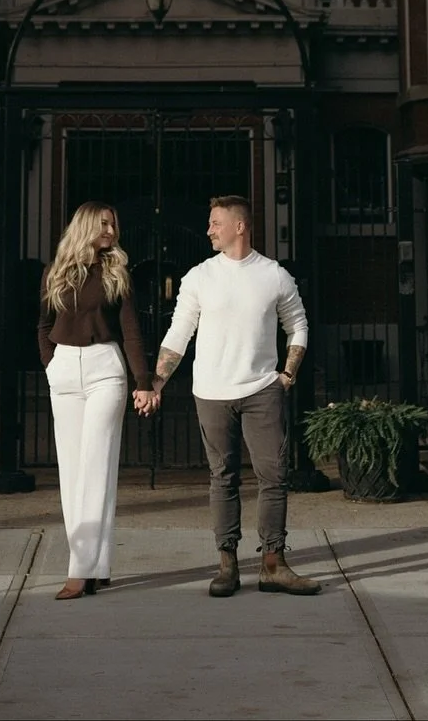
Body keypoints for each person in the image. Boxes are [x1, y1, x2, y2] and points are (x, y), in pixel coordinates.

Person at [151, 194, 319, 598]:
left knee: (273, 477)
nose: (209, 229)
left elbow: (298, 324)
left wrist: (287, 374)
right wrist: (157, 381)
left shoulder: (274, 275)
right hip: (210, 391)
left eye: (215, 222)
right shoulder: (199, 277)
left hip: (262, 389)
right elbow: (179, 334)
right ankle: (227, 565)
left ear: (239, 226)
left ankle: (273, 566)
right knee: (222, 477)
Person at [37, 201, 156, 600]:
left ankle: (78, 571)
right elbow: (42, 324)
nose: (110, 229)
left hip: (106, 368)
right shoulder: (56, 272)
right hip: (65, 369)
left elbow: (130, 329)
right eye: (104, 222)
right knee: (72, 473)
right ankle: (97, 565)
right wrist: (51, 364)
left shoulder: (115, 272)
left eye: (114, 223)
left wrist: (144, 381)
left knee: (96, 468)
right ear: (86, 225)